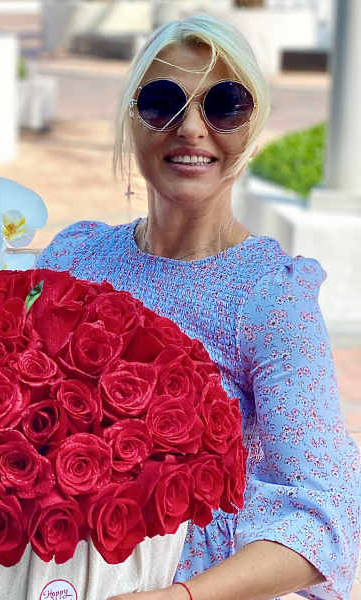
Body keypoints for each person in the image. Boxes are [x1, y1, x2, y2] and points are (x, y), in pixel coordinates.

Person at [35, 13, 361, 600]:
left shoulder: (270, 297)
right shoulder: (73, 260)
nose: (190, 128)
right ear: (130, 119)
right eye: (162, 102)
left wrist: (183, 598)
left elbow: (325, 515)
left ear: (253, 126)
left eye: (224, 106)